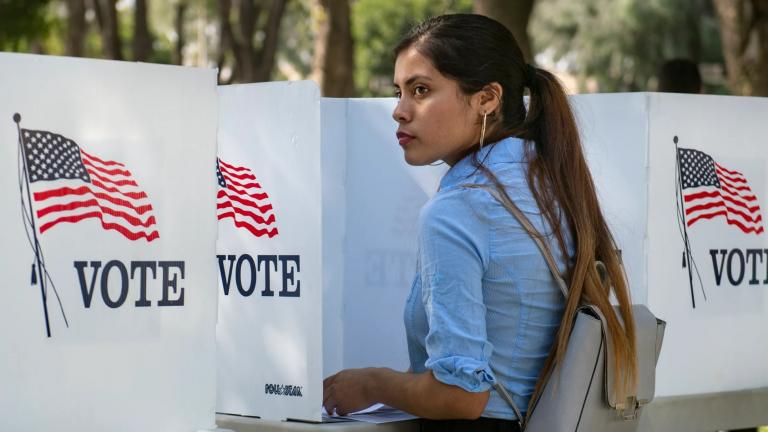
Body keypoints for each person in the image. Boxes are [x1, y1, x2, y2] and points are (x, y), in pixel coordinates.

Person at [322, 14, 637, 431]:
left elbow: (462, 395)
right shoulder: (552, 184)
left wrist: (373, 383)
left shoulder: (457, 211)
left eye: (421, 90)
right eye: (398, 92)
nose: (399, 111)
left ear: (487, 98)